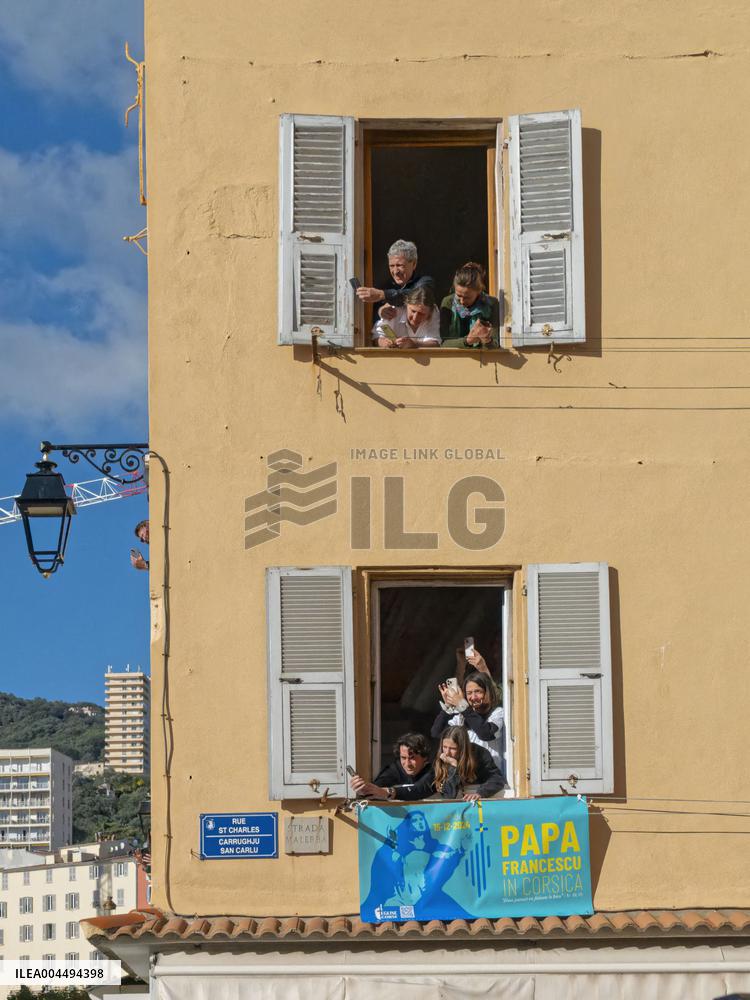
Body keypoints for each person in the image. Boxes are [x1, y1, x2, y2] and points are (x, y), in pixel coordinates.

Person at [360, 809, 471, 920]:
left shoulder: (433, 843)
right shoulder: (401, 844)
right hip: (403, 897)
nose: (419, 822)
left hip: (428, 896)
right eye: (415, 821)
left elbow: (445, 856)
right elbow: (387, 860)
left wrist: (461, 850)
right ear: (410, 825)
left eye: (421, 819)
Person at [386, 726, 504, 803]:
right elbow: (447, 795)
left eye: (453, 748)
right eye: (444, 747)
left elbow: (497, 779)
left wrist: (480, 793)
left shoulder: (479, 754)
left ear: (463, 749)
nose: (447, 752)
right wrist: (453, 766)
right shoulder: (441, 760)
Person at [432, 669, 505, 779]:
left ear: (487, 692)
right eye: (469, 693)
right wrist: (448, 706)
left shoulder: (497, 713)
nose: (473, 697)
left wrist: (463, 706)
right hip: (466, 778)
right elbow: (436, 732)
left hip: (489, 778)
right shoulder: (462, 716)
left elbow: (485, 733)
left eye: (478, 692)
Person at [356, 239, 434, 315]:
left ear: (414, 264)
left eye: (400, 265)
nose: (395, 271)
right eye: (392, 266)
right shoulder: (387, 285)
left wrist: (383, 295)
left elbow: (414, 294)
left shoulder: (425, 282)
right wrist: (380, 311)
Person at [350, 733, 431, 800]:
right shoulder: (395, 769)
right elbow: (378, 787)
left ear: (425, 757)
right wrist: (363, 790)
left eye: (412, 758)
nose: (407, 764)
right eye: (403, 758)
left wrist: (388, 792)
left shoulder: (434, 770)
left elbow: (420, 790)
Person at [439, 262, 500, 349]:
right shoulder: (448, 302)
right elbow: (443, 344)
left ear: (479, 291)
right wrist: (468, 340)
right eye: (458, 296)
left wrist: (487, 340)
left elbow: (494, 345)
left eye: (467, 297)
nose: (462, 301)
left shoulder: (491, 304)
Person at [372, 284, 440, 348]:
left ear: (430, 312)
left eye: (421, 314)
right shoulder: (394, 311)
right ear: (406, 305)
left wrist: (413, 344)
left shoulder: (434, 312)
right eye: (413, 311)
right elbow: (376, 336)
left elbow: (435, 343)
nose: (415, 318)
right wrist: (384, 343)